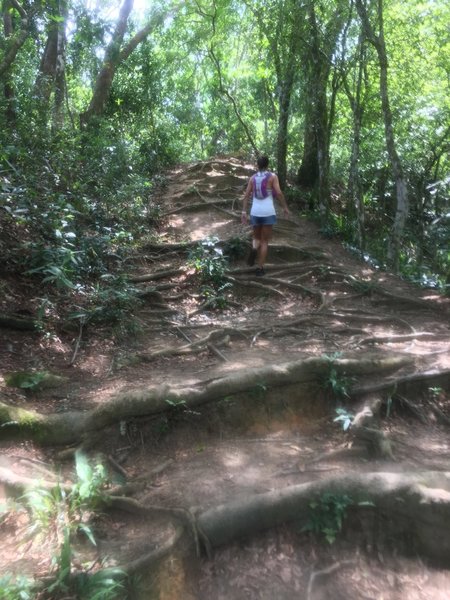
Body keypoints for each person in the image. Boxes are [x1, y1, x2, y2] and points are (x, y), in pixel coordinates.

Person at [241, 155, 290, 276]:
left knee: (256, 238)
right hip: (268, 212)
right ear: (267, 165)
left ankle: (253, 248)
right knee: (264, 242)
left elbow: (246, 195)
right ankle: (260, 268)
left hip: (255, 212)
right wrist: (285, 207)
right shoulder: (272, 177)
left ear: (257, 165)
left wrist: (243, 211)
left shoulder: (252, 178)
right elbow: (278, 193)